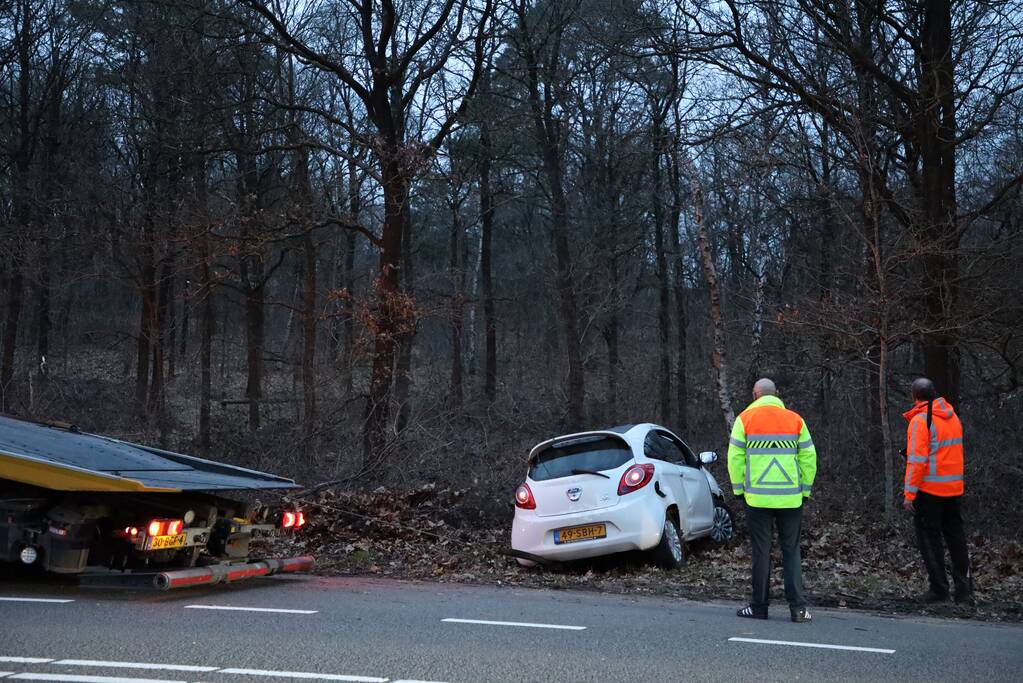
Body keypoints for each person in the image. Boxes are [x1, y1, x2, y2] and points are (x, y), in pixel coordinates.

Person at [728, 378, 817, 623]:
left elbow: (734, 458)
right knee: (791, 552)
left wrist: (738, 491)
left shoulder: (744, 420)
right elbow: (809, 457)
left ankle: (759, 608)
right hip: (790, 498)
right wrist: (805, 490)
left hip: (757, 499)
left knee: (761, 553)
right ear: (776, 394)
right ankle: (798, 610)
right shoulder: (795, 419)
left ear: (755, 395)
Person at [902, 377, 973, 604]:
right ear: (934, 393)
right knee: (956, 537)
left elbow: (917, 461)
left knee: (930, 540)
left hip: (930, 490)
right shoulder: (952, 417)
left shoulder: (921, 421)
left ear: (914, 396)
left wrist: (909, 494)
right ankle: (964, 590)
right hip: (954, 489)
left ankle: (939, 590)